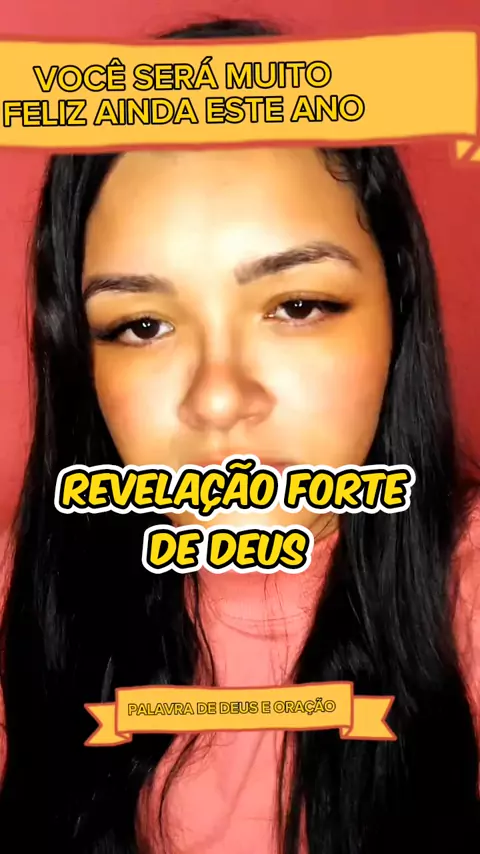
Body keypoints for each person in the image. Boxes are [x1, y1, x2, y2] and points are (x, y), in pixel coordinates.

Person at [0, 16, 479, 854]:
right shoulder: (23, 594)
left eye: (298, 306)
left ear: (397, 312)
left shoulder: (463, 591)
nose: (219, 399)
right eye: (142, 325)